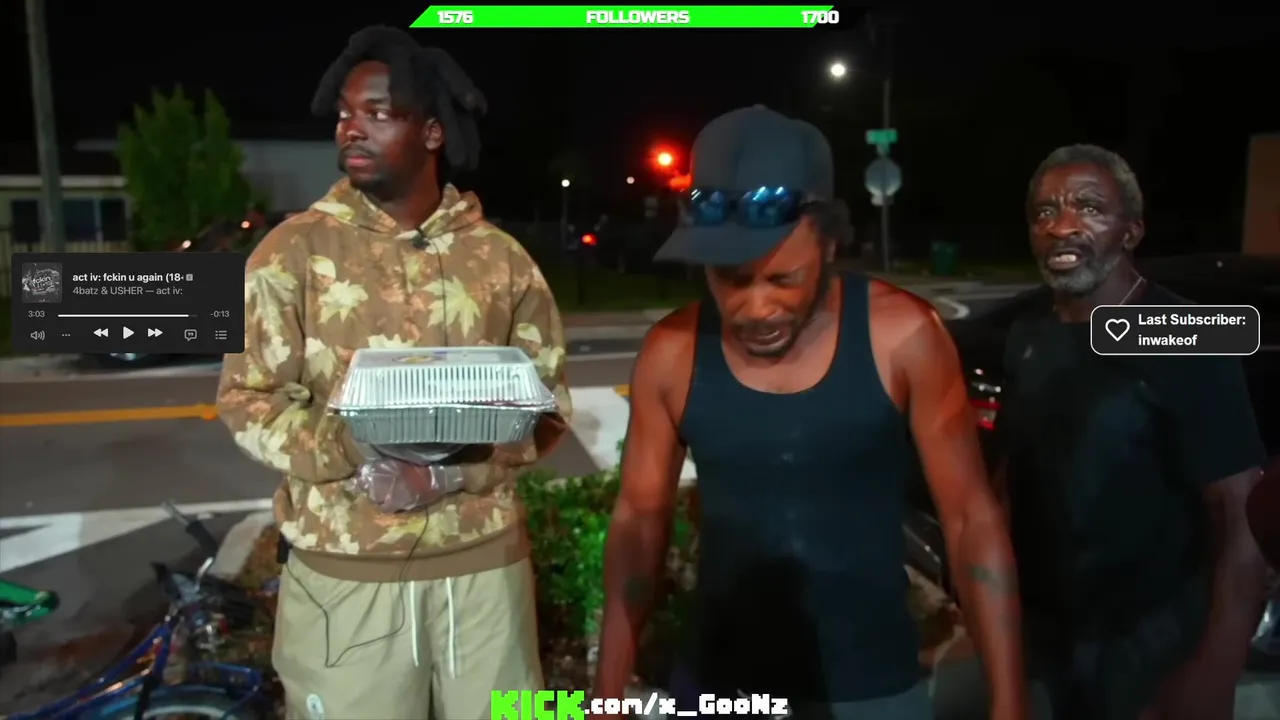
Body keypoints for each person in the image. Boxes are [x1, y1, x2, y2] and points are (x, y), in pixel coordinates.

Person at [592, 106, 1028, 720]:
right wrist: (608, 690)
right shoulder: (671, 354)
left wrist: (1009, 701)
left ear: (828, 242)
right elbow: (640, 518)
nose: (755, 307)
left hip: (874, 691)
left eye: (783, 279)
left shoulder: (904, 336)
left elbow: (969, 520)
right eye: (731, 280)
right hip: (719, 688)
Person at [215, 26, 571, 720]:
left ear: (433, 132)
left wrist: (451, 477)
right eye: (346, 113)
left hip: (486, 573)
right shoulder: (290, 253)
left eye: (379, 113)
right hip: (347, 578)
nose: (352, 128)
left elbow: (547, 410)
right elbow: (247, 399)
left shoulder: (501, 260)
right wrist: (352, 445)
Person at [990, 145, 1269, 719]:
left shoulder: (1185, 332)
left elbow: (1241, 526)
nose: (1063, 226)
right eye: (1045, 212)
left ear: (1132, 232)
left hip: (1153, 650)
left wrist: (1214, 670)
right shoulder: (1027, 335)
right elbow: (1010, 480)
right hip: (1046, 645)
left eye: (1089, 208)